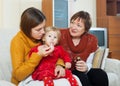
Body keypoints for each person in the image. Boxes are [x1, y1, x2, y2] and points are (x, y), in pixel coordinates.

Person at [10, 7, 65, 85]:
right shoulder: (17, 42)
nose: (43, 32)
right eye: (38, 29)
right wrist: (38, 55)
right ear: (27, 29)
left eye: (44, 27)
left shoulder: (42, 37)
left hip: (45, 74)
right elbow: (19, 75)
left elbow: (57, 53)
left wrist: (59, 65)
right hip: (26, 79)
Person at [59, 11, 109, 86]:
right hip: (65, 69)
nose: (73, 27)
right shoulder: (60, 34)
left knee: (100, 74)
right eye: (72, 23)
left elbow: (89, 62)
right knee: (81, 76)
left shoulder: (91, 40)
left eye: (78, 25)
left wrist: (86, 67)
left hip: (81, 70)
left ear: (85, 29)